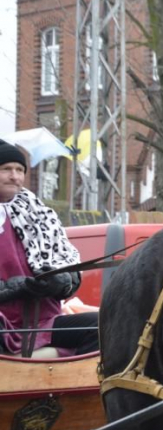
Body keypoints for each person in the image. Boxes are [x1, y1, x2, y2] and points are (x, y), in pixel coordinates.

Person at [0, 139, 97, 356]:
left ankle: (77, 387)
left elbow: (69, 264)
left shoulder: (41, 214)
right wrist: (17, 288)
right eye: (6, 169)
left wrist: (60, 282)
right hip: (3, 323)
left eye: (19, 169)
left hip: (44, 322)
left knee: (98, 326)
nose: (15, 176)